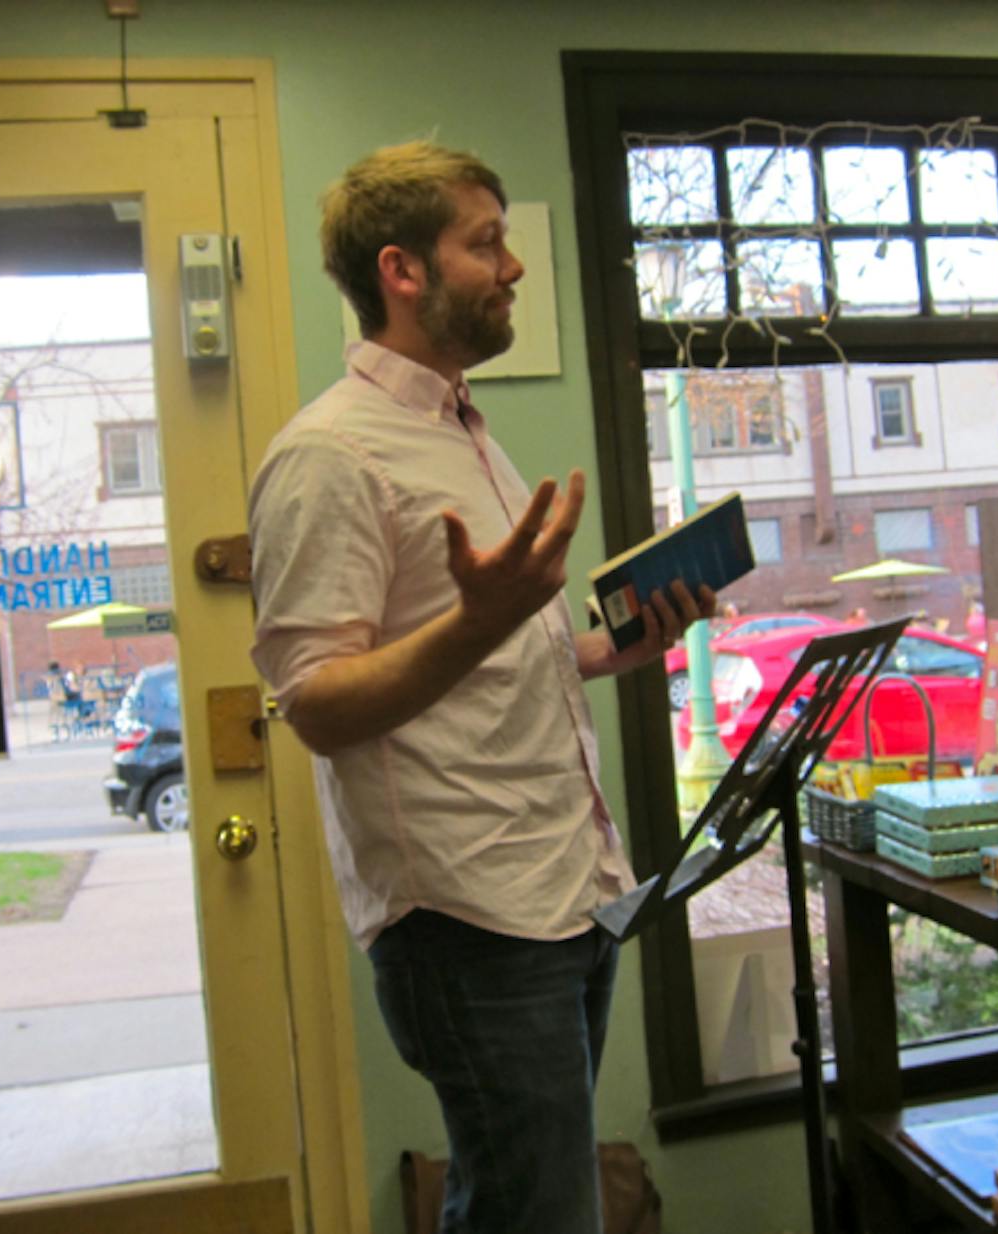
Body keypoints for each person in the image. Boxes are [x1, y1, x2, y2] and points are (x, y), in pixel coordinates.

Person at [248, 138, 714, 1234]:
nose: (512, 268)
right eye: (486, 242)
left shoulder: (458, 427)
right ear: (402, 271)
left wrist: (616, 644)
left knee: (520, 1205)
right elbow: (314, 701)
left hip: (563, 889)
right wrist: (479, 620)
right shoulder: (328, 456)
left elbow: (496, 652)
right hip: (465, 913)